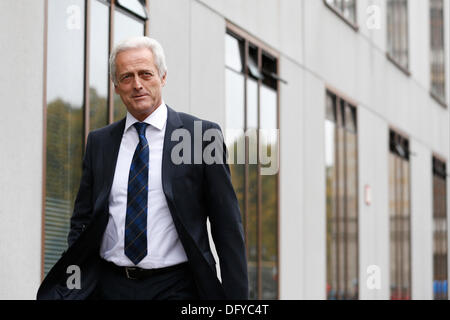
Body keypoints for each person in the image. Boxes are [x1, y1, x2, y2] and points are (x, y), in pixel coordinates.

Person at [37, 36, 248, 300]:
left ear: (162, 77)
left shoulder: (200, 137)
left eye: (145, 74)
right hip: (109, 285)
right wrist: (72, 283)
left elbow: (226, 226)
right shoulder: (100, 142)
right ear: (116, 86)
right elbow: (83, 219)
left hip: (177, 286)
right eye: (126, 77)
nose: (137, 84)